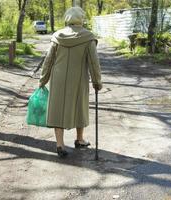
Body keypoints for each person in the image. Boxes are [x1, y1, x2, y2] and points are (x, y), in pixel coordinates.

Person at [39, 7, 102, 158]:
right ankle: (79, 139)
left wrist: (43, 79)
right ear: (81, 18)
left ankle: (59, 144)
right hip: (78, 79)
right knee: (79, 107)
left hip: (58, 78)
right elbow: (94, 63)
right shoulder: (88, 37)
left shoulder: (57, 36)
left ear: (67, 18)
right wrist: (97, 81)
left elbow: (48, 60)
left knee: (57, 109)